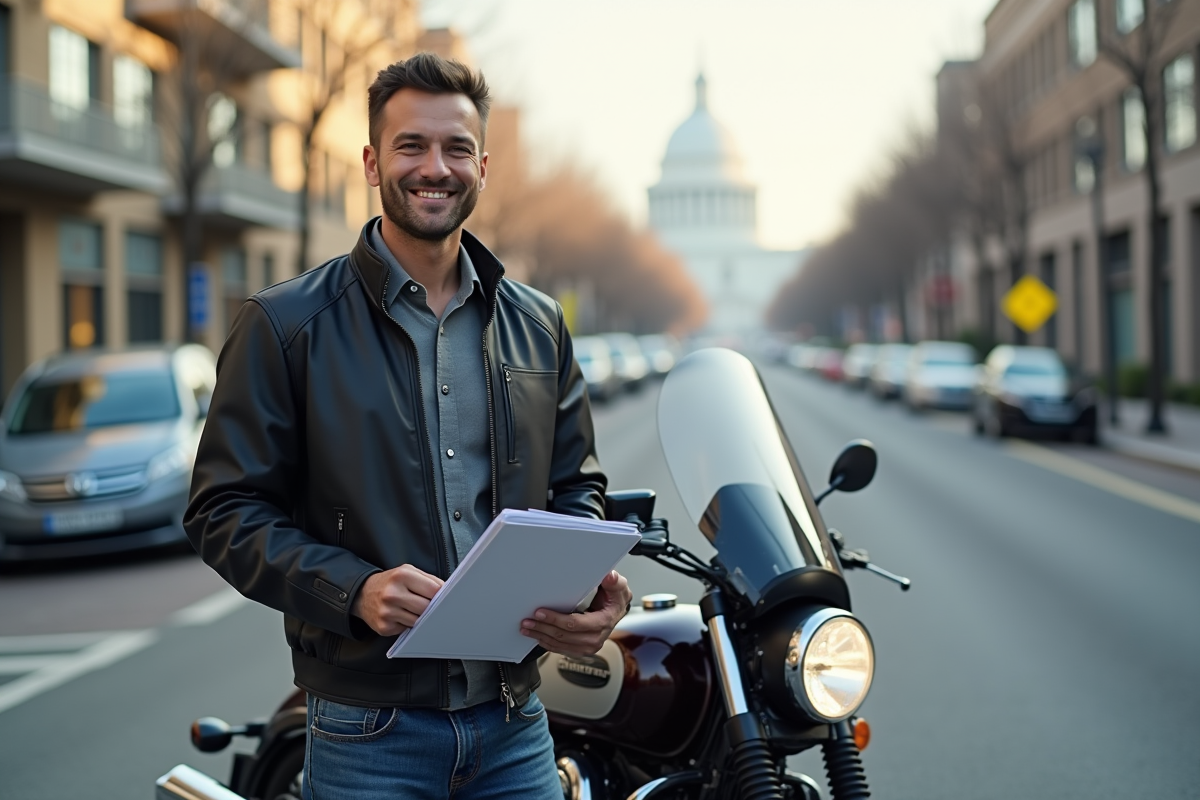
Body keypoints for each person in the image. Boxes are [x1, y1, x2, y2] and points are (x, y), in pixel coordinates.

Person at [184, 52, 632, 799]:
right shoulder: (285, 325)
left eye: (457, 148)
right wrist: (352, 590)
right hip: (368, 735)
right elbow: (221, 511)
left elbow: (575, 485)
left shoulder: (540, 324)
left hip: (518, 722)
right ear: (371, 162)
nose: (436, 167)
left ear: (483, 167)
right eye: (411, 146)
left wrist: (589, 588)